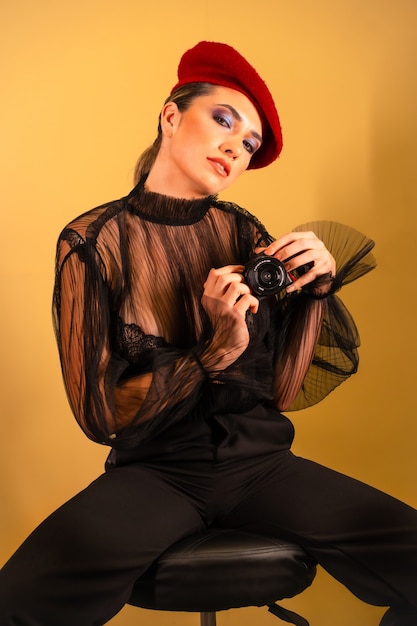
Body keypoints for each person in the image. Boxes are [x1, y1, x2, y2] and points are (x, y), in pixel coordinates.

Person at [0, 40, 416, 626]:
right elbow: (97, 415)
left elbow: (283, 390)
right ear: (172, 116)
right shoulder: (93, 241)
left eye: (248, 144)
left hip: (263, 464)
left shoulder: (246, 232)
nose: (235, 147)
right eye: (223, 120)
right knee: (17, 601)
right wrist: (214, 351)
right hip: (157, 473)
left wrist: (318, 290)